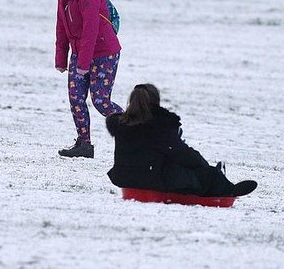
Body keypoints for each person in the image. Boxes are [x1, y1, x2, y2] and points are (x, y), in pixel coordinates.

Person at [106, 84, 257, 197]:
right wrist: (205, 168)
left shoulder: (121, 124)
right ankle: (226, 188)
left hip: (123, 177)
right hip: (151, 180)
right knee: (198, 175)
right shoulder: (159, 125)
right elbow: (182, 154)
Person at [54, 0, 123, 158]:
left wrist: (83, 63)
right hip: (80, 52)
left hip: (104, 52)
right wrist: (61, 57)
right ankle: (84, 145)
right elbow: (61, 25)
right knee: (75, 98)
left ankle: (139, 129)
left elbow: (91, 29)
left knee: (101, 101)